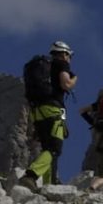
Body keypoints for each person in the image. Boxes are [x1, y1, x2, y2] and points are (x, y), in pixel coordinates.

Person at [18, 41, 77, 189]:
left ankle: (49, 186)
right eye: (69, 55)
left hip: (36, 111)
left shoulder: (41, 65)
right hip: (53, 110)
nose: (69, 59)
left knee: (48, 149)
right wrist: (74, 78)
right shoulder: (61, 64)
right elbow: (66, 84)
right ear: (64, 53)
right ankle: (30, 175)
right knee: (54, 149)